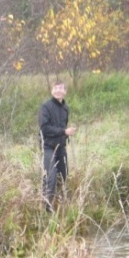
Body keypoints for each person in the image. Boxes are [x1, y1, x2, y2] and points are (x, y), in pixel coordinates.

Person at [39, 81, 76, 212]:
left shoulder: (66, 108)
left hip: (61, 147)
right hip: (48, 147)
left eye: (61, 88)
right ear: (52, 91)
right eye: (55, 88)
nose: (58, 90)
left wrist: (66, 135)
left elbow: (63, 127)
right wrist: (64, 132)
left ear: (65, 92)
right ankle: (47, 209)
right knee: (51, 176)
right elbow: (44, 129)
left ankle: (60, 204)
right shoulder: (46, 107)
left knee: (63, 175)